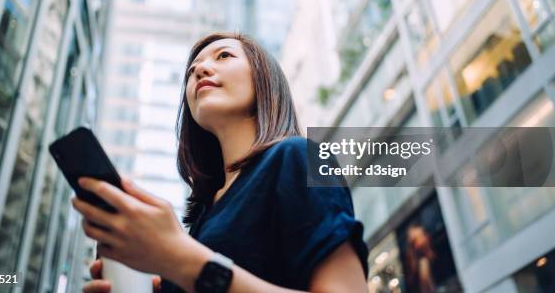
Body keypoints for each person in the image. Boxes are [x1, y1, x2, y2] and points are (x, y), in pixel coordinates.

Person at [73, 32, 369, 292]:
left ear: (264, 77)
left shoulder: (300, 157)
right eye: (191, 71)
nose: (200, 69)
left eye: (224, 55)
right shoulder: (203, 218)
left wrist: (182, 259)